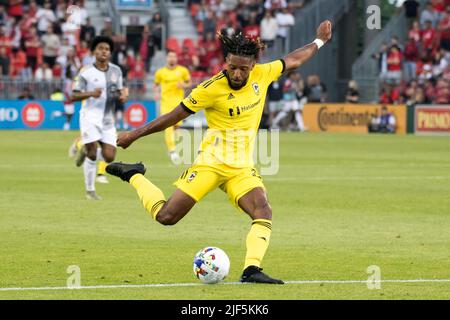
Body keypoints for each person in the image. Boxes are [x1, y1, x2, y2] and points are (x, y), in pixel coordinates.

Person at [105, 21, 333, 284]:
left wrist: (319, 42)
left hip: (240, 168)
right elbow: (172, 116)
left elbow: (293, 59)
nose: (237, 73)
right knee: (166, 217)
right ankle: (134, 175)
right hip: (210, 164)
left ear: (252, 67)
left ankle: (251, 270)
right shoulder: (209, 89)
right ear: (226, 62)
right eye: (232, 67)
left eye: (243, 69)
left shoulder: (263, 74)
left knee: (263, 210)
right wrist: (134, 135)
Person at [70, 36, 128, 200]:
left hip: (108, 119)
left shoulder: (116, 71)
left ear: (110, 53)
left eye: (107, 49)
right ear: (94, 52)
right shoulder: (85, 72)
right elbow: (74, 95)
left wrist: (122, 96)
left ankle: (83, 147)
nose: (104, 51)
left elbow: (118, 91)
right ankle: (90, 190)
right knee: (93, 154)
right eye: (100, 48)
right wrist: (91, 93)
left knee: (110, 156)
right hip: (89, 117)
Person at [153, 51, 192, 165]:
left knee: (176, 128)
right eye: (170, 56)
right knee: (168, 127)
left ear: (176, 58)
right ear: (167, 58)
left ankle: (172, 146)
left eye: (174, 56)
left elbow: (189, 83)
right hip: (165, 104)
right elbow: (156, 85)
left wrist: (183, 85)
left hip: (179, 104)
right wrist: (156, 93)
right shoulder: (160, 72)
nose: (172, 58)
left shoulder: (183, 71)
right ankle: (172, 151)